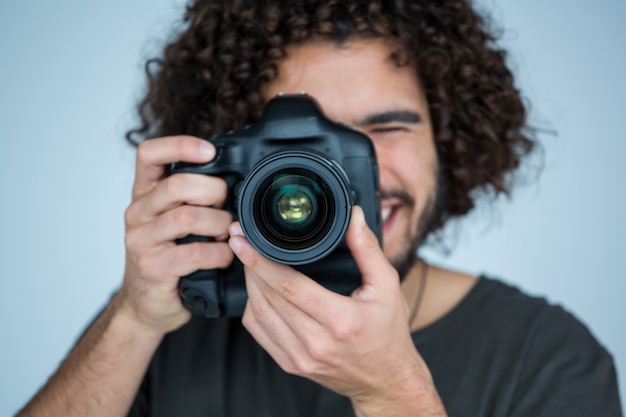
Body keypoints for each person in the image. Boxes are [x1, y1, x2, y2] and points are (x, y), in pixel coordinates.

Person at [17, 0, 622, 416]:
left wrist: (391, 392)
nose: (357, 172)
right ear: (230, 160)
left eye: (386, 129)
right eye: (307, 146)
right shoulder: (175, 315)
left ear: (451, 140)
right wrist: (132, 320)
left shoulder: (547, 353)